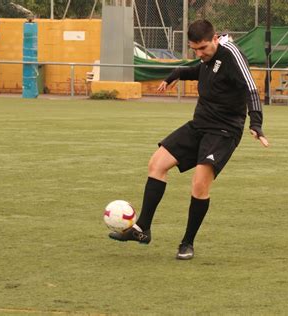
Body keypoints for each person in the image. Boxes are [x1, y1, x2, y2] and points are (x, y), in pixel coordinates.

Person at [109, 19, 269, 259]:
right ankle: (142, 229)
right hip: (200, 124)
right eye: (194, 49)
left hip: (224, 131)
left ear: (215, 38)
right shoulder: (206, 58)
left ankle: (187, 243)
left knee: (199, 183)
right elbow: (198, 70)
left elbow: (251, 88)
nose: (199, 54)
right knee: (157, 163)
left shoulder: (232, 55)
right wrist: (175, 74)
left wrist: (256, 122)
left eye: (203, 48)